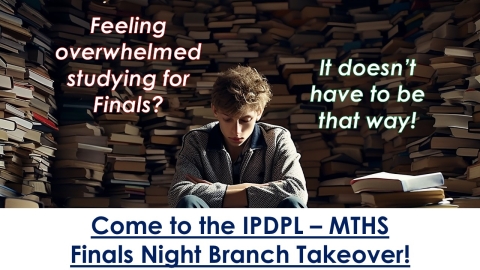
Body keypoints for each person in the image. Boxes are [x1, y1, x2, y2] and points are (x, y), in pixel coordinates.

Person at [168, 65, 308, 208]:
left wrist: (221, 191)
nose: (237, 131)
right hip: (213, 226)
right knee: (188, 202)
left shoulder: (277, 139)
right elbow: (177, 194)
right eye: (227, 119)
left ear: (259, 112)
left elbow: (296, 191)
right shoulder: (197, 141)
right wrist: (255, 189)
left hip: (266, 226)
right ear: (215, 110)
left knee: (293, 204)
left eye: (245, 120)